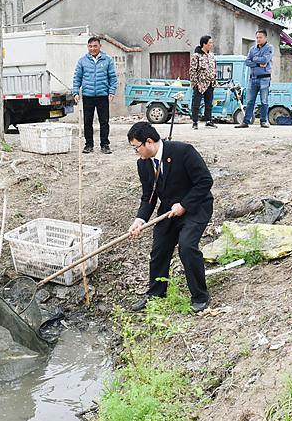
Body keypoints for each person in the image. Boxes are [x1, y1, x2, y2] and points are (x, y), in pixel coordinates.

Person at [126, 122, 213, 313]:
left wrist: (184, 205)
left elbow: (205, 181)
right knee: (159, 250)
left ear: (148, 142)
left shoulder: (183, 151)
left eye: (136, 147)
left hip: (196, 207)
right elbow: (148, 196)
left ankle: (200, 296)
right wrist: (140, 220)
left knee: (187, 247)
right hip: (168, 211)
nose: (136, 152)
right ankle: (155, 293)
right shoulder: (143, 164)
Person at [72, 37, 118, 154]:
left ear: (100, 46)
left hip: (103, 95)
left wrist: (111, 92)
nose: (93, 48)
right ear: (88, 47)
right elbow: (77, 78)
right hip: (88, 96)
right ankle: (89, 145)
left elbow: (112, 78)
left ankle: (105, 145)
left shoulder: (107, 60)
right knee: (87, 122)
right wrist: (76, 92)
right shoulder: (82, 61)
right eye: (90, 46)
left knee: (104, 121)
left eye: (95, 46)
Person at [236, 29, 273, 129]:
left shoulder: (269, 48)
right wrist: (257, 63)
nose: (258, 39)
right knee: (250, 101)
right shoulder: (252, 49)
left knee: (264, 101)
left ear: (265, 38)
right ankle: (246, 121)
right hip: (253, 78)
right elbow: (247, 62)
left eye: (260, 37)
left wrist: (254, 59)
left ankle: (263, 121)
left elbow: (265, 60)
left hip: (264, 78)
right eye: (257, 37)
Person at [189, 35, 218, 129]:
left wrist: (214, 80)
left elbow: (214, 68)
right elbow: (192, 71)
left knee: (209, 103)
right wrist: (195, 83)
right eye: (210, 43)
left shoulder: (211, 55)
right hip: (200, 83)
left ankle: (208, 121)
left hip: (210, 83)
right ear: (204, 44)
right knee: (196, 103)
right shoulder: (196, 56)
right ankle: (195, 122)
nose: (211, 45)